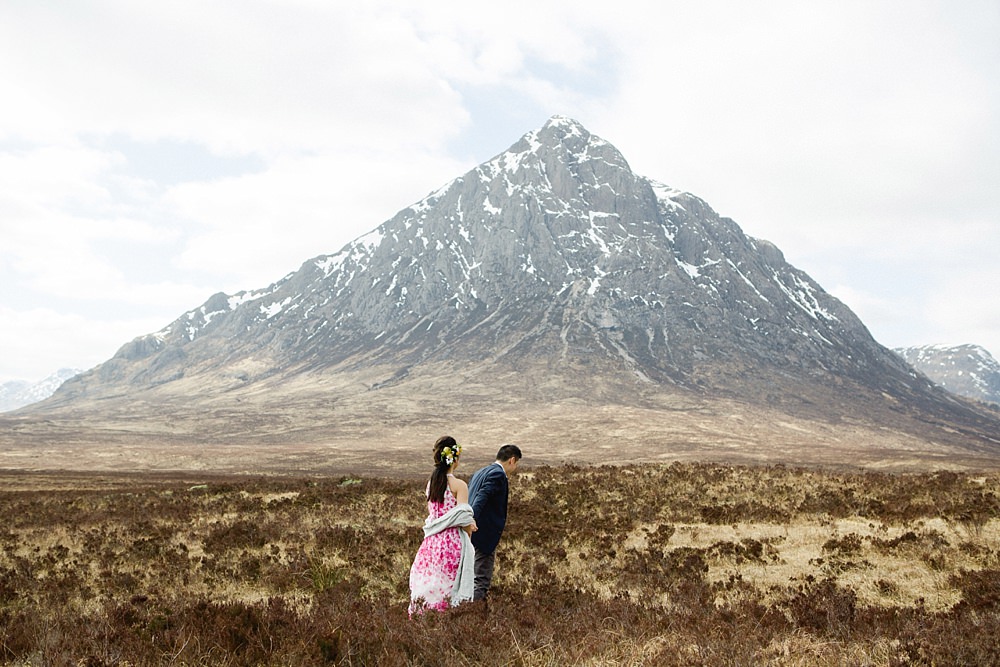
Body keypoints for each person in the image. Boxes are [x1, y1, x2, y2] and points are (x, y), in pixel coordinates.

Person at [408, 436, 478, 615]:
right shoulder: (459, 485)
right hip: (452, 542)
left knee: (431, 583)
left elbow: (434, 514)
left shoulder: (432, 484)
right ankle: (448, 620)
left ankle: (425, 616)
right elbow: (463, 519)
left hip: (431, 543)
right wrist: (469, 536)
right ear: (455, 458)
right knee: (450, 586)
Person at [468, 443, 522, 602]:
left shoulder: (480, 472)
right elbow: (482, 497)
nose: (515, 468)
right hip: (483, 533)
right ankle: (474, 615)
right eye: (516, 463)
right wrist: (472, 518)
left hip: (472, 532)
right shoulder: (497, 475)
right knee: (481, 579)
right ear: (512, 460)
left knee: (471, 576)